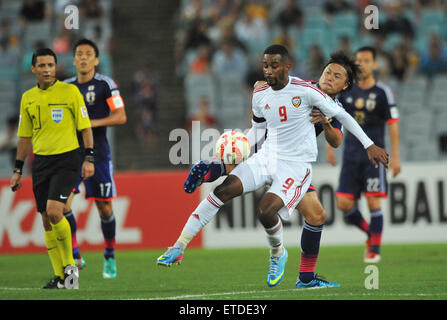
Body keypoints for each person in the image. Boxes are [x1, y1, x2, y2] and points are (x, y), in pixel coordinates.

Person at [157, 45, 389, 289]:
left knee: (314, 215)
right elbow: (271, 96)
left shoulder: (334, 107)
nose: (329, 78)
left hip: (293, 165)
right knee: (231, 184)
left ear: (344, 86)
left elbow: (336, 140)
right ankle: (181, 241)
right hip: (267, 151)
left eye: (337, 76)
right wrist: (269, 80)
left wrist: (332, 126)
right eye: (328, 72)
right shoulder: (301, 87)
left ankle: (302, 275)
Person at [10, 48, 95, 289]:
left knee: (56, 211)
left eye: (51, 65)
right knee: (46, 219)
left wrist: (89, 157)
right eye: (43, 65)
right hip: (42, 163)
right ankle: (60, 277)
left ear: (55, 67)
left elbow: (85, 128)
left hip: (68, 159)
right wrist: (17, 169)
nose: (47, 69)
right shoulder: (28, 98)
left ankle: (71, 272)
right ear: (34, 69)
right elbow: (24, 136)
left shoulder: (70, 92)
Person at [327, 46, 401, 263]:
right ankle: (371, 234)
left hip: (373, 158)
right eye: (358, 60)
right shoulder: (347, 91)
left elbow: (393, 125)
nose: (362, 64)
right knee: (343, 204)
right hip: (350, 156)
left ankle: (374, 250)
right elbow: (334, 119)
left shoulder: (382, 92)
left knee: (373, 203)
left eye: (367, 60)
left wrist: (395, 156)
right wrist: (330, 147)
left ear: (375, 64)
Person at [63, 39, 127, 279]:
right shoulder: (65, 87)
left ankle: (109, 255)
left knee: (104, 207)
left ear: (96, 60)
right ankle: (76, 254)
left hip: (98, 153)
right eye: (79, 54)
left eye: (88, 54)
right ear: (73, 59)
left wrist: (90, 123)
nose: (83, 58)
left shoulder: (106, 84)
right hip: (70, 154)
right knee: (63, 204)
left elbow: (120, 116)